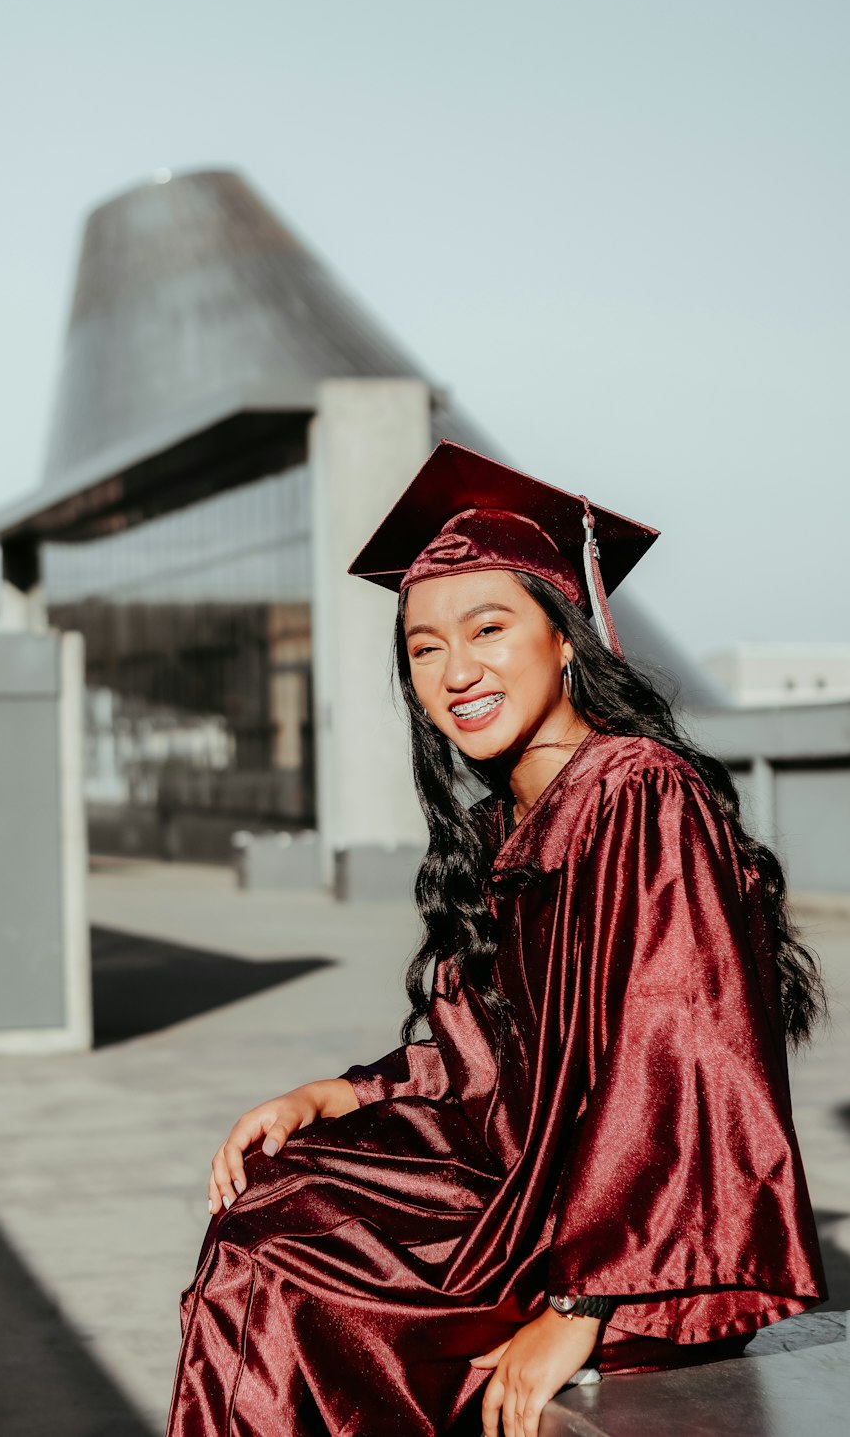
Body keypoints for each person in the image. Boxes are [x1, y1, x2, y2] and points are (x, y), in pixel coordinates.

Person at [165, 441, 827, 1437]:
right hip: (529, 1190)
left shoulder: (636, 791)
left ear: (564, 638)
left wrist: (581, 1307)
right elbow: (483, 1048)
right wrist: (331, 1095)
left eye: (487, 628)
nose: (455, 670)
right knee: (279, 1203)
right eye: (424, 648)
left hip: (619, 1242)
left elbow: (677, 1050)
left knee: (281, 1267)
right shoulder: (500, 827)